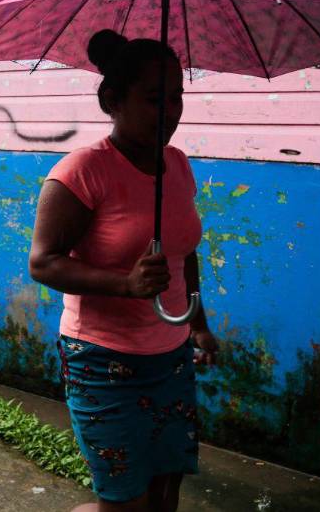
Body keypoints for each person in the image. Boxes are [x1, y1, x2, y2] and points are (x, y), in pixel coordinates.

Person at [29, 30, 219, 512]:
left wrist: (196, 324)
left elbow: (184, 252)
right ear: (113, 100)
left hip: (171, 358)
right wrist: (125, 284)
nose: (171, 111)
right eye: (156, 99)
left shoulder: (177, 165)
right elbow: (43, 262)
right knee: (124, 504)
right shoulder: (81, 172)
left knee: (165, 494)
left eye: (177, 97)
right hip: (102, 363)